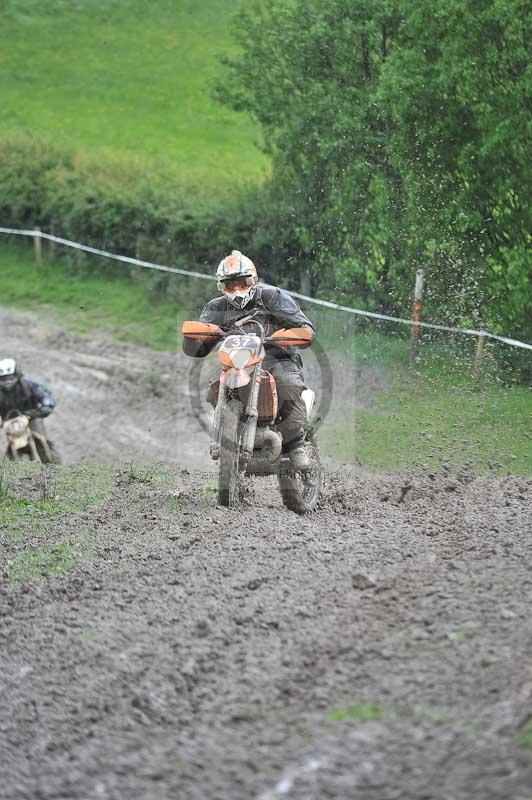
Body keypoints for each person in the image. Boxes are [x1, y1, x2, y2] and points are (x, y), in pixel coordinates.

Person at [183, 250, 314, 470]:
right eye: (229, 285)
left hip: (277, 358)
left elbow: (305, 328)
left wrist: (288, 334)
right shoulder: (216, 308)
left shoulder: (273, 297)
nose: (236, 290)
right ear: (221, 286)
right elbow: (198, 347)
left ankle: (297, 443)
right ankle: (230, 435)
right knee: (215, 388)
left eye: (242, 283)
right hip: (238, 360)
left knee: (288, 383)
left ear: (253, 280)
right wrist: (196, 338)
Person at [0, 358, 60, 462]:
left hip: (31, 418)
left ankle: (54, 464)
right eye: (3, 378)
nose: (7, 381)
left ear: (16, 374)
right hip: (8, 424)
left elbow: (44, 395)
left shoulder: (28, 385)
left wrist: (46, 405)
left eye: (9, 377)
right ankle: (7, 469)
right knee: (4, 448)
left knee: (42, 440)